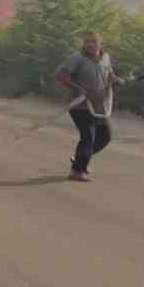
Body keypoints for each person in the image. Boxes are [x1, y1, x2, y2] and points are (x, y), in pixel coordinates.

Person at [53, 31, 123, 182]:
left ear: (100, 43)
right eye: (87, 42)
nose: (90, 44)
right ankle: (77, 171)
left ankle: (80, 158)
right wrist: (77, 88)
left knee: (105, 136)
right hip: (80, 106)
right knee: (88, 137)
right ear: (83, 44)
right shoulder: (77, 58)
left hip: (99, 106)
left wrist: (116, 79)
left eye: (93, 41)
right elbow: (60, 75)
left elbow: (109, 74)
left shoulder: (105, 57)